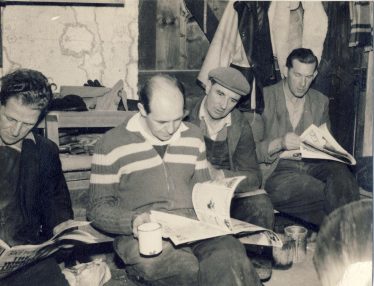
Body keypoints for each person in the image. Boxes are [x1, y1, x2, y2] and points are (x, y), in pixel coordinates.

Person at [87, 74, 263, 286]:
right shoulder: (110, 144)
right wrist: (133, 221)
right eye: (161, 121)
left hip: (192, 226)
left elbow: (202, 189)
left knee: (230, 252)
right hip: (143, 232)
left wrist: (217, 208)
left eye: (178, 119)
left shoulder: (193, 135)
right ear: (142, 110)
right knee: (183, 268)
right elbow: (97, 208)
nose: (171, 129)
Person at [256, 48, 360, 226]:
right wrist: (280, 143)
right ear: (285, 70)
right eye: (297, 75)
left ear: (315, 75)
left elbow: (325, 144)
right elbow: (250, 151)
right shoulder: (265, 97)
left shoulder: (320, 101)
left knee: (343, 176)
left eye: (308, 77)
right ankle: (343, 239)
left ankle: (338, 238)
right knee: (331, 194)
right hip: (276, 169)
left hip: (310, 164)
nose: (302, 84)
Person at [0, 69, 73, 285]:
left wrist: (61, 225)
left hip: (22, 258)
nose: (16, 131)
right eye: (10, 119)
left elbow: (55, 201)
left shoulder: (44, 151)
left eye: (28, 123)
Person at [188, 66, 274, 230]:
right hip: (191, 193)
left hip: (225, 196)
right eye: (220, 94)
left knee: (261, 206)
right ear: (208, 87)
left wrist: (220, 175)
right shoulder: (185, 114)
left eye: (233, 100)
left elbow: (254, 177)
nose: (223, 105)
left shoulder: (240, 125)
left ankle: (257, 255)